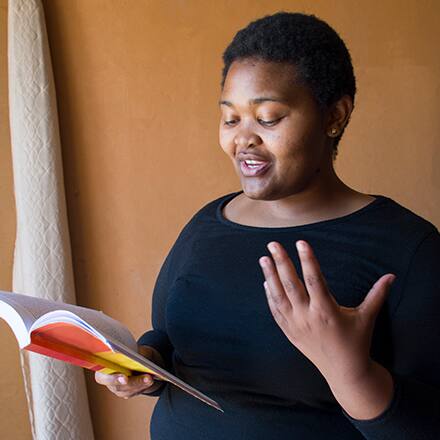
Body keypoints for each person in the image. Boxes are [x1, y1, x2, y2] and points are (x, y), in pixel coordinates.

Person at [95, 11, 440, 439]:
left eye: (269, 118)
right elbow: (171, 338)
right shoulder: (207, 224)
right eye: (230, 118)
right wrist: (145, 363)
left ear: (335, 115)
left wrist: (348, 371)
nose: (243, 139)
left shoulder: (409, 247)